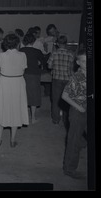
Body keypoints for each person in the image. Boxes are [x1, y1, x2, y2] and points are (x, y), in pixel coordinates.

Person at [0, 34, 29, 148]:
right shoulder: (23, 55)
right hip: (18, 82)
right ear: (17, 43)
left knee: (3, 107)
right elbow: (23, 69)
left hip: (5, 82)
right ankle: (12, 140)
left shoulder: (2, 55)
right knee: (16, 109)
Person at [62, 49, 87, 179]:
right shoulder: (76, 77)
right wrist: (79, 107)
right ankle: (69, 169)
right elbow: (64, 96)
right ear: (78, 62)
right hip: (78, 112)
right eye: (83, 61)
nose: (86, 63)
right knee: (74, 141)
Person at [20, 33, 46, 124]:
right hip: (34, 75)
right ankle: (33, 118)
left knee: (23, 94)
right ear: (34, 41)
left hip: (22, 74)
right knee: (34, 96)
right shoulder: (37, 51)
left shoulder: (20, 50)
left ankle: (23, 116)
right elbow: (43, 63)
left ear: (24, 41)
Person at [47, 35, 74, 125]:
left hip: (56, 79)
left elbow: (49, 66)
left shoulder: (54, 53)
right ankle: (66, 120)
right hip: (67, 79)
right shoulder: (70, 54)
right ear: (66, 44)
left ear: (57, 44)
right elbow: (72, 68)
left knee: (56, 100)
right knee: (66, 100)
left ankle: (56, 119)